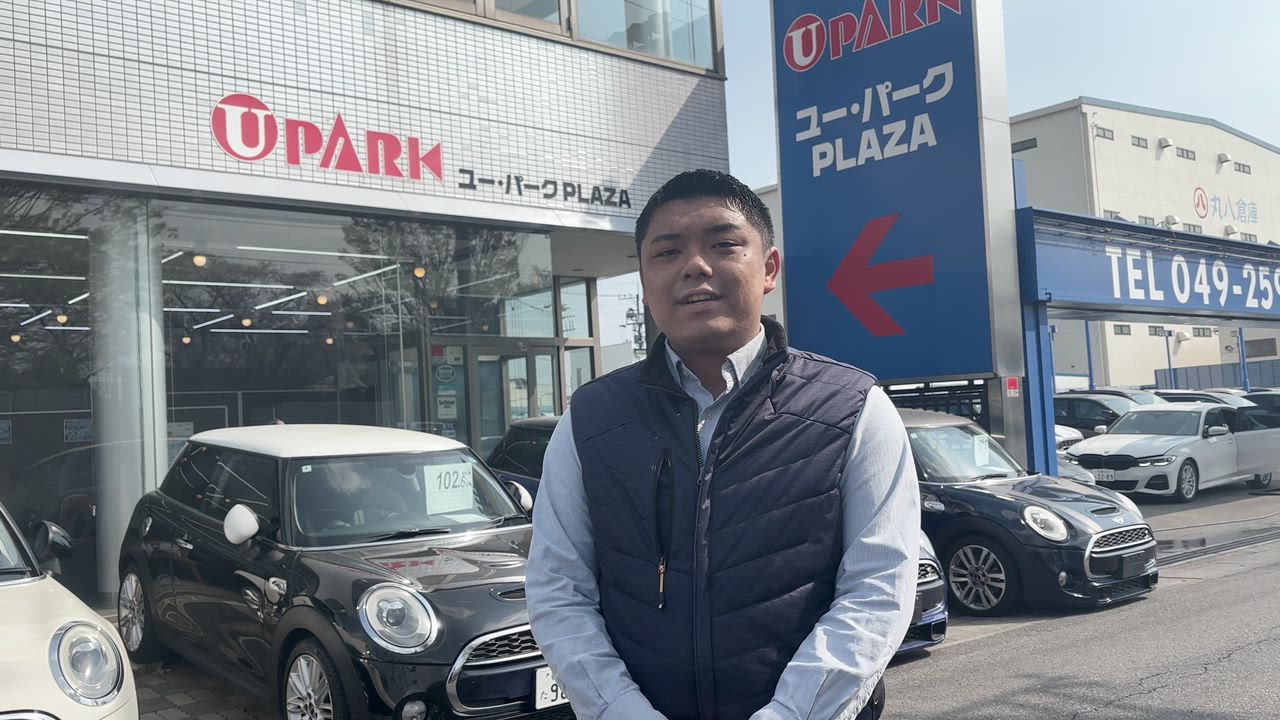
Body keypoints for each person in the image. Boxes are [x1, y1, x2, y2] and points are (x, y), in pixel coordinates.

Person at [526, 170, 920, 720]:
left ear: (770, 268)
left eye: (724, 244)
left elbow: (879, 584)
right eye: (667, 252)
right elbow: (559, 588)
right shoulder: (590, 418)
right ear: (644, 281)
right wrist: (621, 711)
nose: (694, 265)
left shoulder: (853, 408)